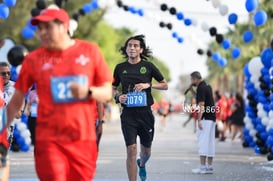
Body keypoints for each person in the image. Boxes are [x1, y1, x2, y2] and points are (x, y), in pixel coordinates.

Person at [6, 8, 112, 181]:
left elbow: (107, 91)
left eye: (48, 27)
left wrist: (88, 91)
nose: (42, 33)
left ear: (64, 26)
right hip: (49, 139)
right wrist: (2, 132)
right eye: (40, 29)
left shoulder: (89, 51)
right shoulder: (34, 59)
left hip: (82, 140)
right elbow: (16, 100)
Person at [112, 34, 168, 181]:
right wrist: (118, 97)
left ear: (141, 50)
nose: (132, 48)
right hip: (128, 114)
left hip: (145, 115)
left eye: (135, 46)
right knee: (131, 150)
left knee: (146, 152)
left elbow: (165, 84)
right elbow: (113, 88)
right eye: (129, 45)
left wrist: (148, 85)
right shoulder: (120, 68)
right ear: (126, 49)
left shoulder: (148, 66)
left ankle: (142, 164)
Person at [188, 71, 216, 174]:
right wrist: (192, 91)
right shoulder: (207, 86)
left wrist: (199, 120)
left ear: (195, 79)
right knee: (210, 142)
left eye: (192, 80)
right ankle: (209, 166)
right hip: (211, 118)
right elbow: (201, 97)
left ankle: (202, 167)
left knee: (203, 141)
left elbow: (201, 104)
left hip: (205, 119)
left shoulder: (201, 88)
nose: (191, 82)